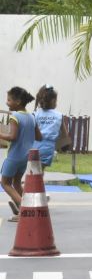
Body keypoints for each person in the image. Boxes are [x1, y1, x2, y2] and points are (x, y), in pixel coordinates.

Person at [0, 87, 41, 222]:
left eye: (9, 100)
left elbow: (12, 136)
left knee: (5, 183)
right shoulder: (31, 117)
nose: (7, 103)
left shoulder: (15, 117)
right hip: (25, 157)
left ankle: (24, 211)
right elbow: (39, 137)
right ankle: (29, 208)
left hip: (14, 156)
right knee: (17, 183)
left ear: (18, 102)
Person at [32, 84, 68, 171]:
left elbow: (30, 131)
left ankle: (32, 184)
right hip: (49, 148)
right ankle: (38, 184)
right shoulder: (59, 116)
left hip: (35, 146)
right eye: (56, 100)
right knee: (41, 170)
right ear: (53, 101)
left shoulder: (35, 114)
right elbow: (65, 135)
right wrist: (64, 147)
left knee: (34, 171)